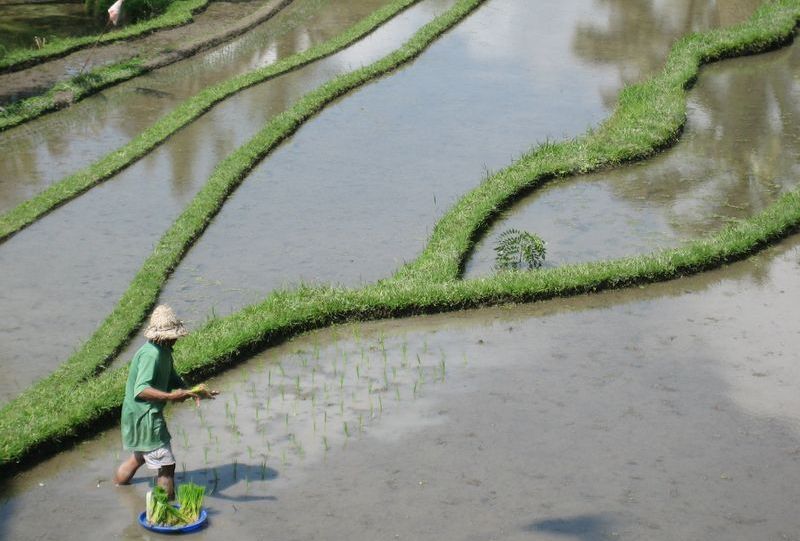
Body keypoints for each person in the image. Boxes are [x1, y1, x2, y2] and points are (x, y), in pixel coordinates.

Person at [114, 305, 217, 498]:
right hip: (145, 416)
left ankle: (119, 490)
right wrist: (171, 397)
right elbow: (141, 390)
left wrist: (196, 392)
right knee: (167, 465)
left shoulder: (164, 352)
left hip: (139, 414)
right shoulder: (151, 355)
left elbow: (173, 379)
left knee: (139, 457)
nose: (176, 338)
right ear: (167, 336)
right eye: (174, 335)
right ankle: (166, 511)